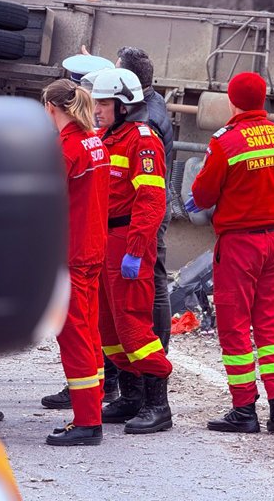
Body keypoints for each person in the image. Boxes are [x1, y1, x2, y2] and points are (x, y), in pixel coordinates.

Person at [187, 72, 274, 433]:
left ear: (232, 101)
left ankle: (244, 409)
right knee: (269, 327)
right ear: (263, 99)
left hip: (239, 244)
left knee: (234, 327)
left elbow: (203, 196)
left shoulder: (226, 142)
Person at [91, 68, 173, 434]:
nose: (96, 108)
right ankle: (130, 396)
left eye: (104, 103)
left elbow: (152, 200)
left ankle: (158, 405)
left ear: (124, 106)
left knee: (134, 326)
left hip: (128, 241)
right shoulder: (107, 138)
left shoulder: (142, 140)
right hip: (105, 242)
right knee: (108, 326)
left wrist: (137, 251)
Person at [40, 80, 110, 446]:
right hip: (92, 247)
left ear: (52, 107)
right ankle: (92, 410)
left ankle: (86, 421)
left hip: (70, 253)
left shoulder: (66, 149)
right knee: (90, 332)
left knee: (74, 335)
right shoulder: (94, 141)